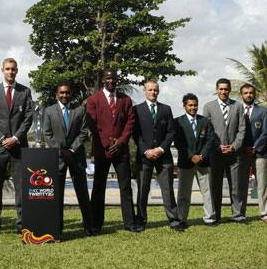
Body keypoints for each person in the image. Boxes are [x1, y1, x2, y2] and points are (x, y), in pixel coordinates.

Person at [0, 58, 34, 235]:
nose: (11, 72)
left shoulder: (25, 92)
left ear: (17, 71)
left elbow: (29, 117)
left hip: (18, 146)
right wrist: (2, 138)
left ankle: (22, 224)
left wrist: (15, 138)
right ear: (2, 70)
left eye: (13, 69)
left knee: (21, 187)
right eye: (7, 69)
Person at [86, 69, 137, 233]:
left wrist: (121, 141)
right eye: (108, 78)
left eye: (114, 78)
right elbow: (92, 124)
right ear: (103, 80)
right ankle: (96, 224)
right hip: (102, 150)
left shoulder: (126, 99)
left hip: (121, 150)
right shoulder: (94, 99)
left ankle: (130, 223)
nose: (111, 81)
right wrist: (107, 142)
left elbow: (130, 122)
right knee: (98, 188)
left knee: (125, 187)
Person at [43, 80, 94, 236]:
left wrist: (71, 150)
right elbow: (47, 134)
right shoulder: (49, 111)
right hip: (57, 158)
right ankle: (57, 228)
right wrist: (61, 151)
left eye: (67, 92)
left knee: (83, 194)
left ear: (71, 94)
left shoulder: (79, 110)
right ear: (57, 94)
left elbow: (84, 132)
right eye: (62, 92)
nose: (65, 95)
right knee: (56, 195)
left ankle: (88, 226)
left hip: (76, 156)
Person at [133, 80, 181, 231]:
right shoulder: (137, 110)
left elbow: (171, 131)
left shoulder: (166, 109)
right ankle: (140, 220)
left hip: (163, 155)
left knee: (167, 189)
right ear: (144, 91)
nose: (153, 92)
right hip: (144, 156)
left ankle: (173, 219)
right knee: (143, 190)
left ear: (158, 91)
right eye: (150, 90)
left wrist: (160, 149)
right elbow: (135, 134)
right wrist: (146, 150)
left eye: (155, 90)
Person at [203, 78, 247, 223]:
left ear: (229, 90)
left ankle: (237, 214)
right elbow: (207, 131)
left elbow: (242, 129)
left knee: (236, 185)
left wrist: (234, 145)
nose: (223, 91)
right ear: (216, 90)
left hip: (234, 153)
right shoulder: (208, 107)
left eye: (226, 89)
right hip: (215, 153)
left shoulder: (238, 106)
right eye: (221, 89)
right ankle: (215, 215)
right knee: (215, 186)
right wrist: (217, 146)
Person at [174, 93, 216, 228]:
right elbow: (179, 142)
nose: (193, 108)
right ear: (184, 106)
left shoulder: (205, 121)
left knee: (207, 191)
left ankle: (209, 218)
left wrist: (201, 155)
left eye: (195, 105)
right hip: (186, 162)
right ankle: (181, 219)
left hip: (203, 162)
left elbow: (210, 140)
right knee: (183, 193)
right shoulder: (177, 122)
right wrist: (191, 156)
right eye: (190, 105)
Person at [240, 83, 267, 223]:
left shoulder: (263, 111)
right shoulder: (235, 110)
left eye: (251, 92)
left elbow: (266, 132)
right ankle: (240, 213)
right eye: (246, 93)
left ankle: (265, 213)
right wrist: (242, 147)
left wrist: (254, 147)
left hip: (260, 153)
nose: (249, 95)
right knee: (240, 184)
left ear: (255, 94)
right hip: (241, 153)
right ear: (241, 95)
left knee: (262, 184)